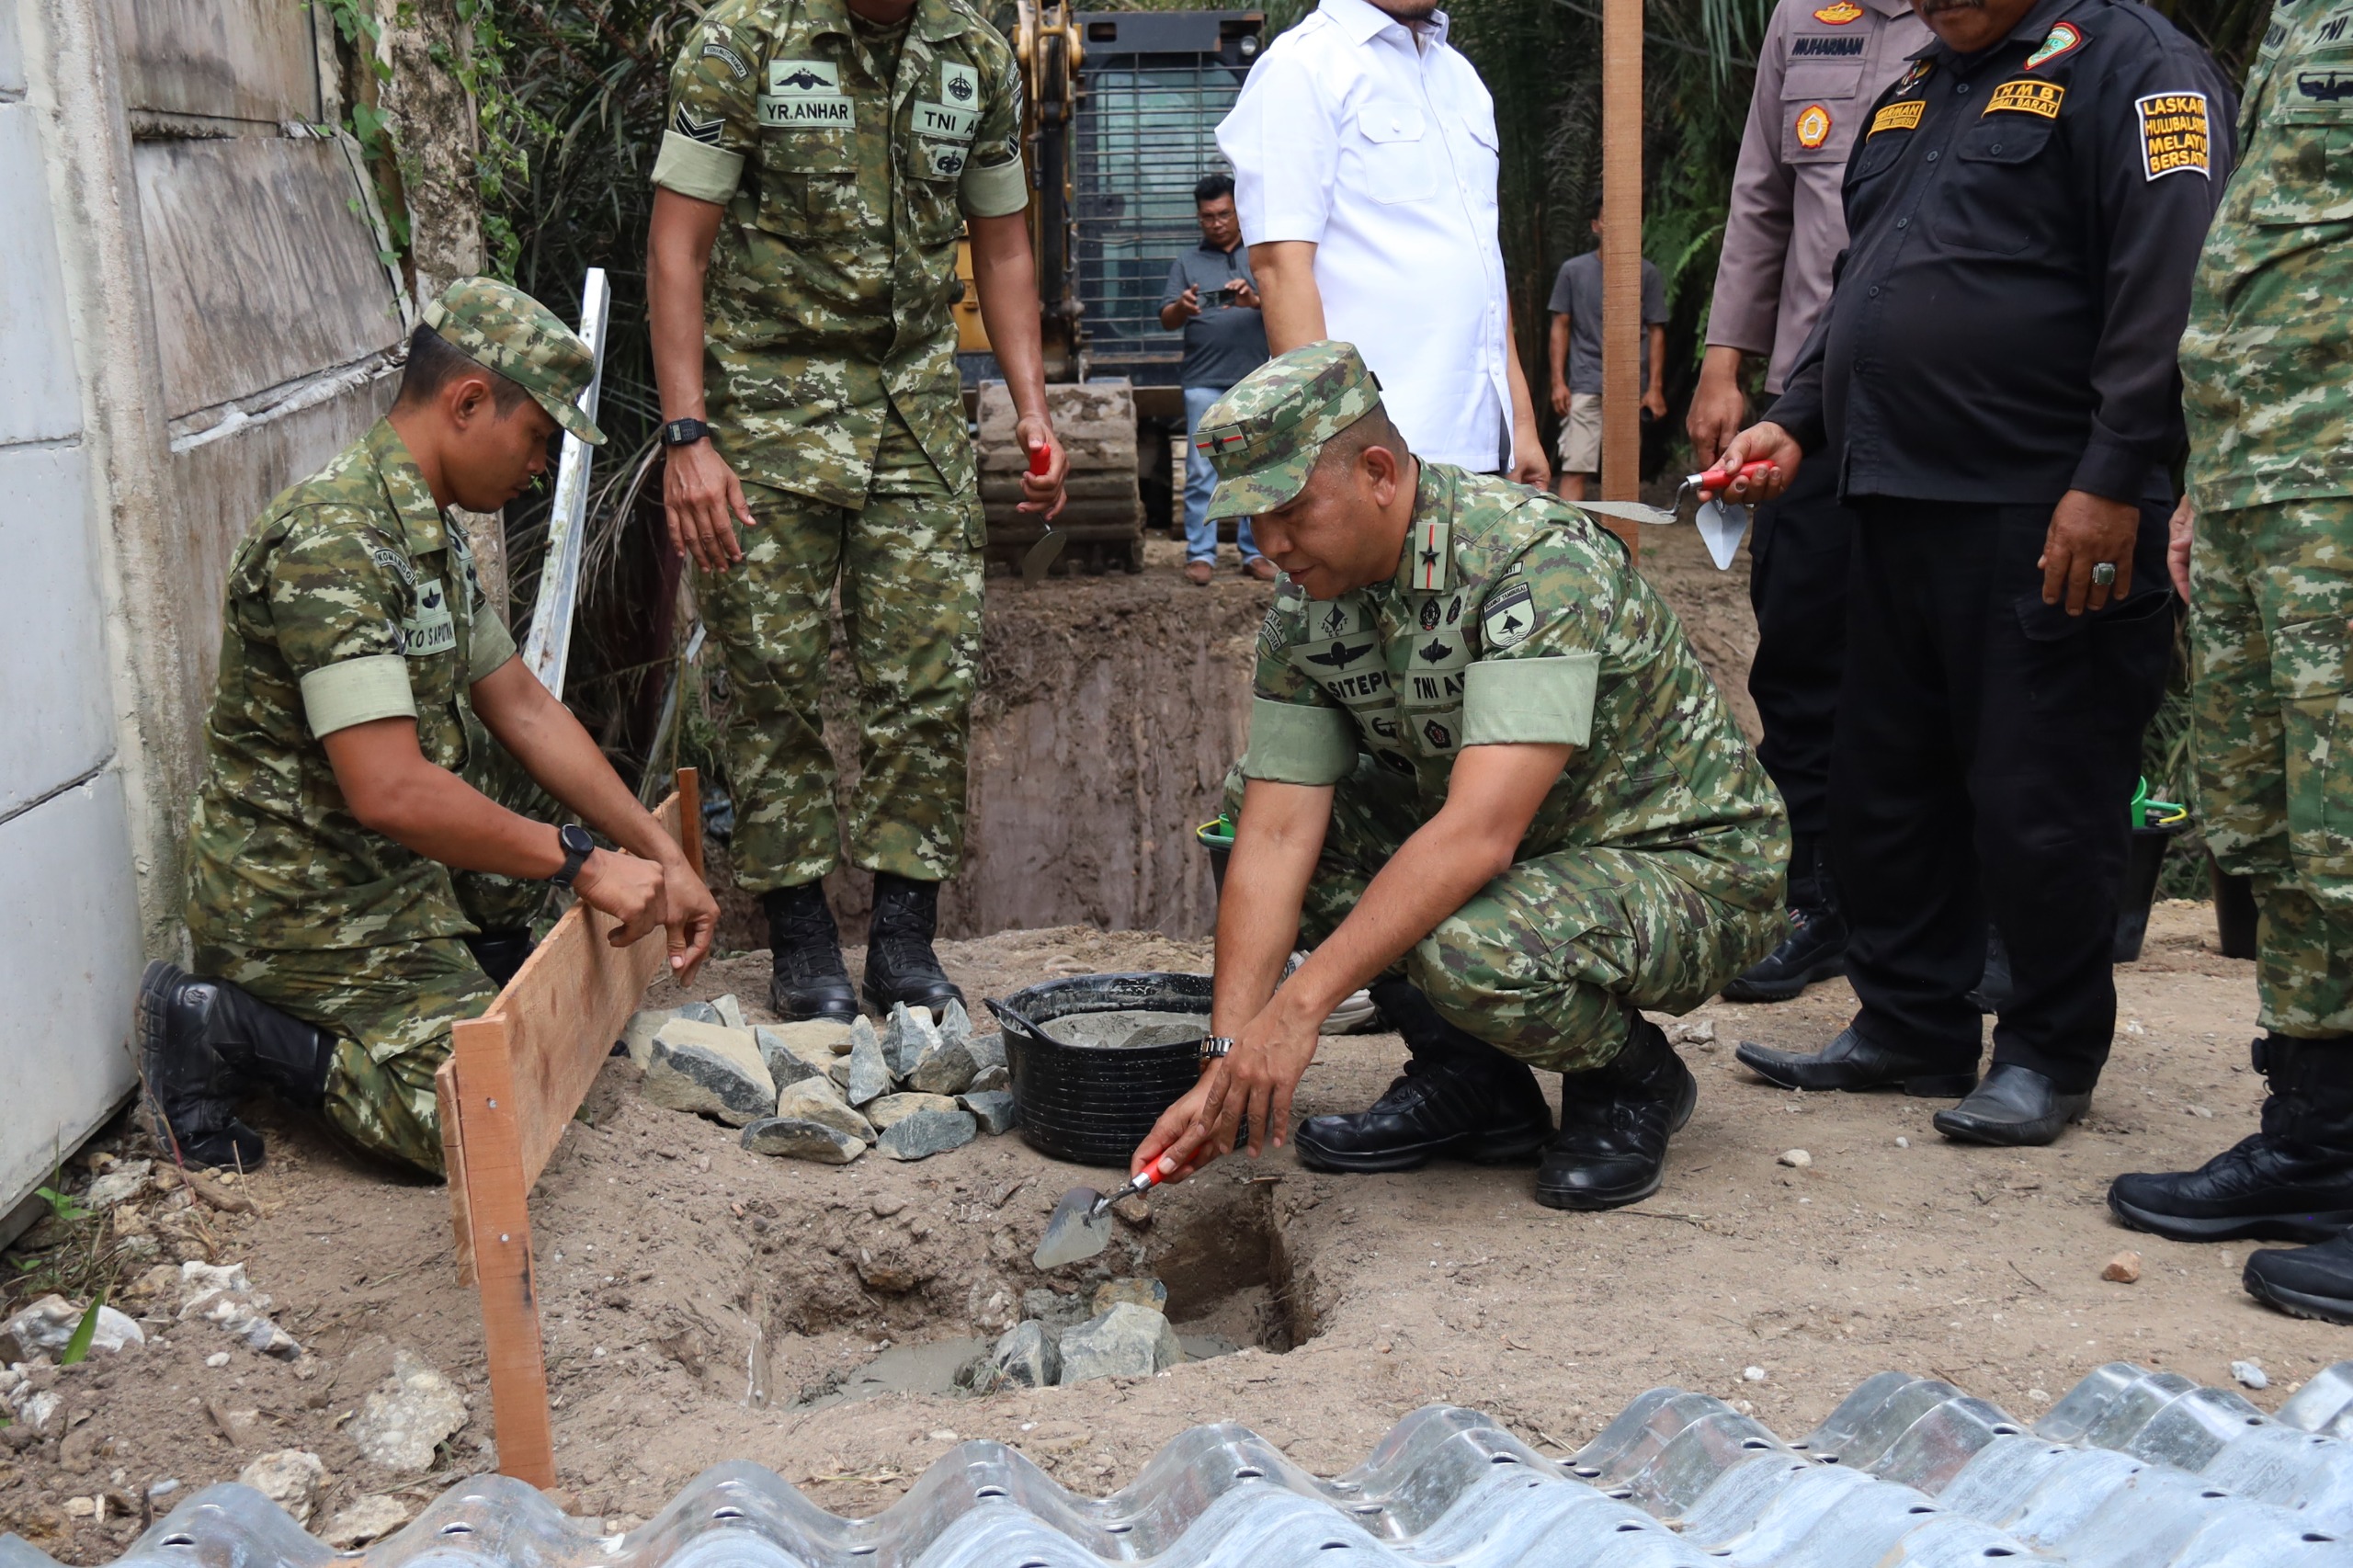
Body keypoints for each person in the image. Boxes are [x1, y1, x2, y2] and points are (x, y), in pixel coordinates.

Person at [1717, 0, 2232, 1145]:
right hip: (1889, 497)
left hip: (2048, 507)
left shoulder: (2137, 65)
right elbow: (1864, 274)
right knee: (1887, 783)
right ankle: (1909, 1022)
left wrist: (2114, 474)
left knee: (2041, 792)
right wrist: (1794, 418)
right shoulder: (1918, 84)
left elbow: (2169, 282)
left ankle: (2047, 1050)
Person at [1131, 342, 1787, 1210]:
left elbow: (1478, 835)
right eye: (1252, 518)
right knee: (1258, 803)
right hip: (1538, 855)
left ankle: (1632, 1081)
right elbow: (1279, 829)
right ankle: (1476, 1082)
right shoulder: (1309, 600)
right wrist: (1226, 1059)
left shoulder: (1532, 562)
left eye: (1290, 510)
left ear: (1377, 473)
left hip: (1686, 867)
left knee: (1473, 948)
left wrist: (1295, 1013)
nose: (1271, 543)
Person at [141, 279, 722, 1176]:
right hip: (304, 905)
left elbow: (522, 705)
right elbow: (390, 790)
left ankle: (478, 973)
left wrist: (659, 851)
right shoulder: (335, 539)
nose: (541, 465)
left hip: (393, 874)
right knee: (486, 1120)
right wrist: (583, 861)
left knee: (518, 759)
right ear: (468, 401)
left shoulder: (422, 529)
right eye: (539, 436)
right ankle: (225, 1028)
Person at [647, 0, 1069, 1025]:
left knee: (929, 677)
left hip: (913, 415)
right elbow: (677, 249)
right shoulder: (741, 43)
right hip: (766, 418)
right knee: (771, 678)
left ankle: (903, 945)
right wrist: (687, 436)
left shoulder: (974, 56)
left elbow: (1003, 245)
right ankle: (799, 939)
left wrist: (1031, 406)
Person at [2107, 0, 2353, 1322]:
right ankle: (2320, 1142)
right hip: (2271, 478)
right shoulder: (2306, 14)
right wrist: (2211, 477)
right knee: (2291, 838)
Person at [1687, 0, 1928, 1003]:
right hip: (1806, 405)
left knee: (1947, 663)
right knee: (1797, 655)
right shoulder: (1801, 18)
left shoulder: (1997, 23)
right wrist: (1723, 362)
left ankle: (1959, 912)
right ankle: (1814, 902)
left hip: (1941, 405)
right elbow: (1762, 201)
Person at [1215, 0, 1550, 489]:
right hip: (1374, 459)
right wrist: (1329, 451)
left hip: (1483, 453)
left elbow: (1484, 265)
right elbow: (1280, 269)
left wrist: (1520, 426)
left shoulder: (1460, 77)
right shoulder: (1302, 65)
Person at [1159, 173, 1278, 585]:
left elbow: (1287, 306)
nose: (1216, 223)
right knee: (1202, 471)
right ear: (1199, 217)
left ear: (1239, 212)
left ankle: (1255, 552)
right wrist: (1183, 306)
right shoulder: (1186, 262)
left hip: (1255, 383)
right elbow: (1166, 319)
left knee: (1255, 470)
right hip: (1202, 382)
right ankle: (1201, 554)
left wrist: (1253, 300)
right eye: (1207, 216)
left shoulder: (1262, 258)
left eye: (1224, 214)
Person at [1546, 198, 1668, 505]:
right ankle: (1567, 532)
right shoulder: (1573, 271)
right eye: (1606, 218)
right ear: (1595, 226)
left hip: (1630, 386)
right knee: (1575, 466)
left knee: (1624, 474)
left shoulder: (1647, 274)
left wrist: (1655, 388)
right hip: (1585, 381)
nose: (1614, 225)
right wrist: (1558, 382)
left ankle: (1619, 534)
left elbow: (1656, 331)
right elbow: (1560, 326)